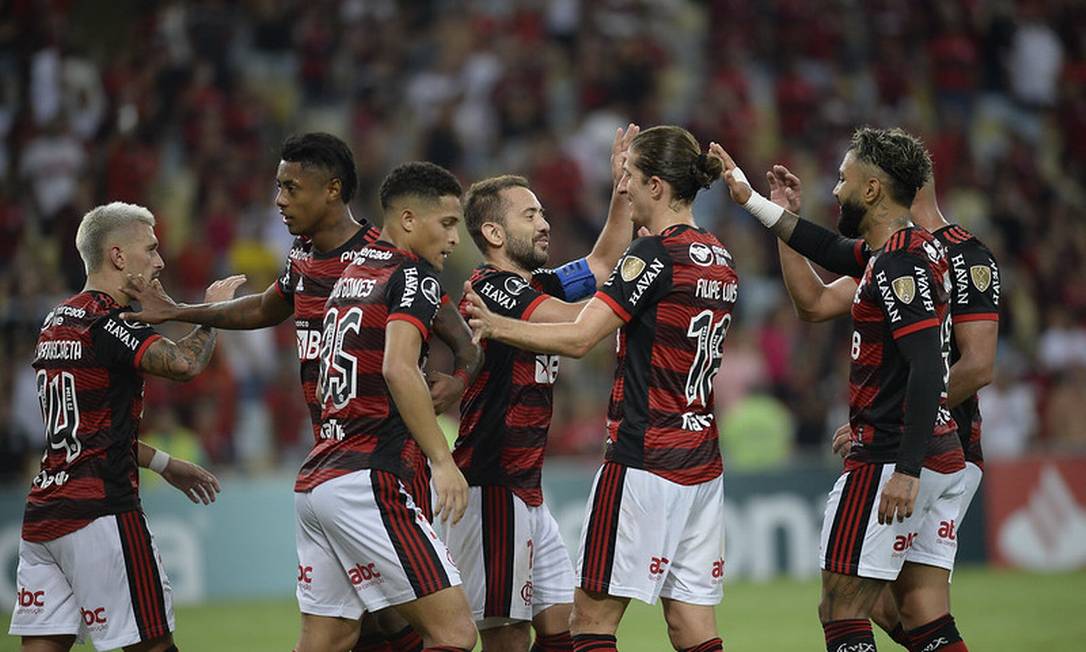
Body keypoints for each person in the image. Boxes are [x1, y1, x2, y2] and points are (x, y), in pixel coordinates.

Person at [118, 133, 481, 651]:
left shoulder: (381, 258)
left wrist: (460, 379)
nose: (280, 200)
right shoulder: (313, 260)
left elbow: (464, 342)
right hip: (364, 464)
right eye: (278, 187)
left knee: (365, 629)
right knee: (440, 630)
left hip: (354, 467)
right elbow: (266, 308)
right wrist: (179, 310)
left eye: (291, 188)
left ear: (332, 190)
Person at [465, 125, 735, 652]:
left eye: (630, 178)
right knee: (692, 627)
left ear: (655, 185)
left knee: (588, 620)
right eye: (532, 215)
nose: (623, 186)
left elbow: (584, 327)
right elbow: (600, 269)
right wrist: (619, 197)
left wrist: (495, 327)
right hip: (701, 459)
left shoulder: (651, 254)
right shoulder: (718, 256)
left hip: (644, 455)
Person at [714, 126, 972, 652]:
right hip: (929, 451)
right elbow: (827, 247)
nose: (835, 190)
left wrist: (904, 467)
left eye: (842, 178)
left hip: (890, 457)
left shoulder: (900, 263)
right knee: (920, 616)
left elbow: (927, 367)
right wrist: (752, 200)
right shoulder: (903, 250)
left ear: (872, 190)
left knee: (840, 608)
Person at [443, 124, 638, 652]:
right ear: (495, 234)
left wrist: (621, 191)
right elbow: (581, 321)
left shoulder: (534, 285)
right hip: (492, 484)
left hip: (526, 489)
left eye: (543, 213)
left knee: (561, 627)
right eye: (530, 216)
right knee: (506, 635)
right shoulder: (493, 289)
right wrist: (645, 292)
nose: (545, 223)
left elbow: (601, 264)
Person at [9, 202, 230, 652]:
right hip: (101, 513)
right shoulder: (107, 323)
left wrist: (164, 463)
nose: (160, 261)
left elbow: (88, 429)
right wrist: (211, 313)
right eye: (150, 249)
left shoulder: (56, 320)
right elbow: (185, 363)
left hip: (45, 516)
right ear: (117, 257)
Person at [293, 161, 476, 652]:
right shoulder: (413, 275)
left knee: (327, 639)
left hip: (319, 480)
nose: (455, 239)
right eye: (448, 223)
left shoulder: (354, 273)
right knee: (454, 633)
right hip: (366, 477)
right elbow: (398, 368)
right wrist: (442, 460)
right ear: (410, 220)